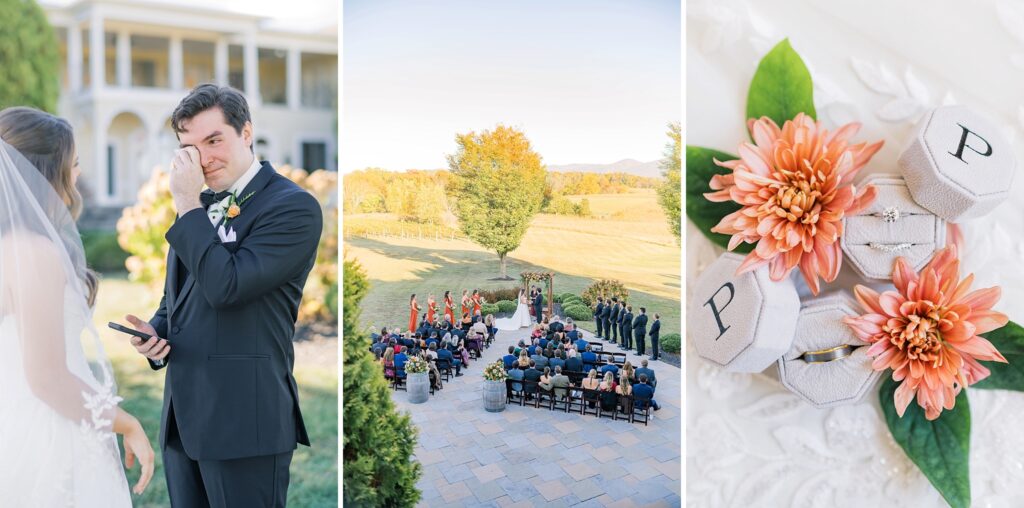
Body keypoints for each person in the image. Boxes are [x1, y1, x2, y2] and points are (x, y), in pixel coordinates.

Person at [126, 85, 322, 506]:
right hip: (183, 420)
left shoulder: (292, 207)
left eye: (214, 141)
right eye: (190, 148)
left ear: (246, 132)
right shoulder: (198, 207)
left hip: (245, 422)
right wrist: (156, 333)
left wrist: (186, 202)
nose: (203, 158)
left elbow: (227, 287)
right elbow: (179, 296)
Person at [0, 107, 155, 505]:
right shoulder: (34, 252)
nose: (78, 173)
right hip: (49, 430)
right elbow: (47, 377)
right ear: (45, 173)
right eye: (74, 163)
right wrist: (127, 423)